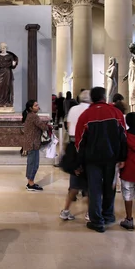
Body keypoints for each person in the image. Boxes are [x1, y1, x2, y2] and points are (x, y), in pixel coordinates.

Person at [75, 87, 127, 233]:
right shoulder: (116, 113)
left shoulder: (86, 115)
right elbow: (123, 137)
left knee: (95, 188)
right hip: (112, 158)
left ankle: (97, 221)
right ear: (104, 97)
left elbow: (79, 142)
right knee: (110, 187)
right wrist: (123, 157)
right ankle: (108, 215)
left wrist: (80, 162)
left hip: (92, 160)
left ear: (92, 98)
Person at [60, 90, 91, 221]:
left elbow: (68, 126)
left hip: (73, 145)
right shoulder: (91, 110)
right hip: (86, 146)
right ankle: (89, 213)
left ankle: (66, 210)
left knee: (74, 183)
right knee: (90, 183)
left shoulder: (73, 109)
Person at [22, 100, 51, 191]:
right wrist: (48, 126)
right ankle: (30, 184)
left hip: (31, 143)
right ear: (31, 108)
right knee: (34, 164)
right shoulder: (33, 116)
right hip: (33, 143)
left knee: (32, 163)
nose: (38, 107)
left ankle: (30, 182)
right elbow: (43, 127)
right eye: (36, 105)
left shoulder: (30, 115)